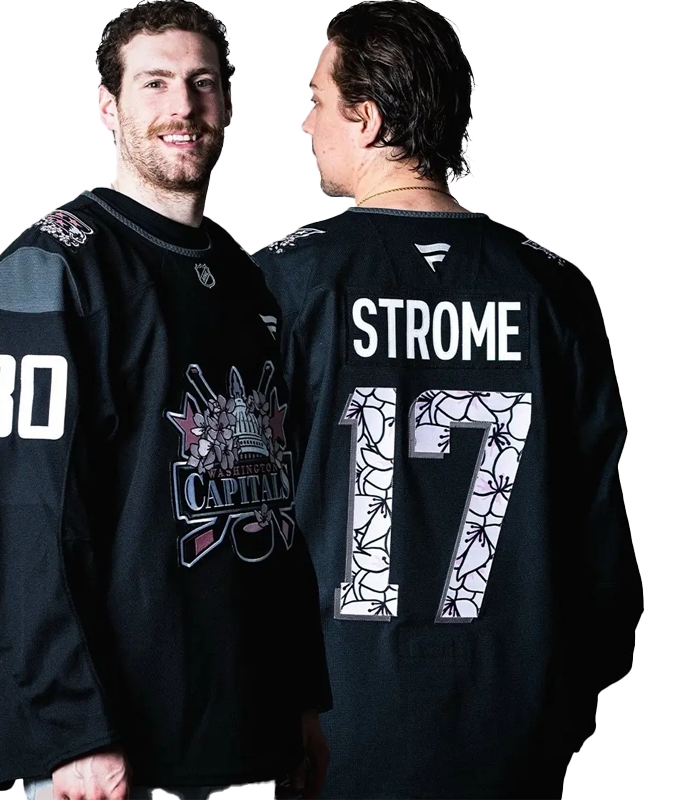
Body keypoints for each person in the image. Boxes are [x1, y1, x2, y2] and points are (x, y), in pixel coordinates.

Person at [252, 1, 643, 798]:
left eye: (319, 100)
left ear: (366, 119)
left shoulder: (285, 282)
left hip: (338, 726)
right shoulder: (554, 290)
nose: (306, 123)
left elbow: (236, 536)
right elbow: (603, 556)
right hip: (514, 726)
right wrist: (559, 707)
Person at [0, 2, 331, 799]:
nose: (182, 107)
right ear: (108, 105)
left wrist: (301, 699)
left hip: (251, 739)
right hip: (113, 757)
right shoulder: (51, 270)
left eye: (202, 83)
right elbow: (13, 528)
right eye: (154, 83)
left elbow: (279, 510)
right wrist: (71, 733)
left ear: (227, 103)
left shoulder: (244, 278)